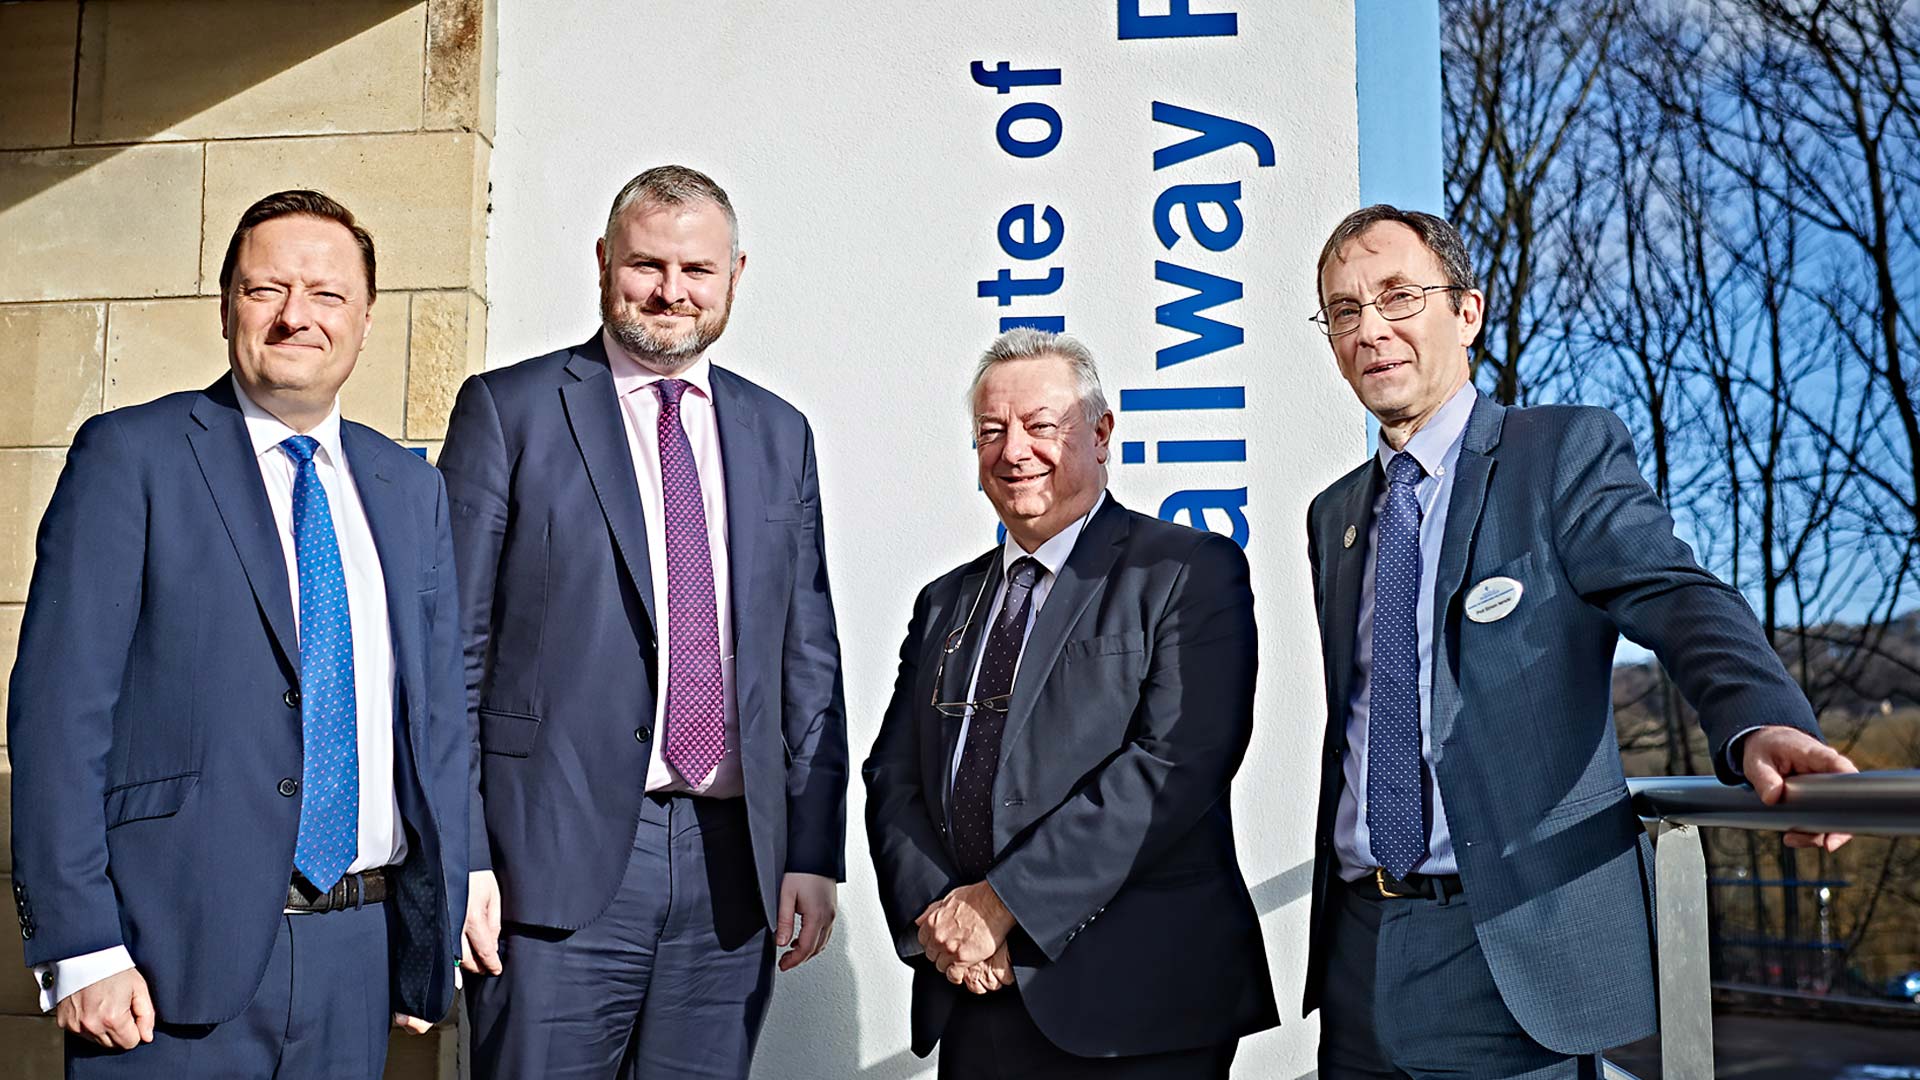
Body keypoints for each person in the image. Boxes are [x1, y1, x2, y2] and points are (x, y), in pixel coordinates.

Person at [1302, 204, 1858, 1079]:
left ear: (1468, 312)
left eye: (1399, 297)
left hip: (1510, 944)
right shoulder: (1334, 515)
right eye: (1344, 310)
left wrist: (1760, 720)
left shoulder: (1558, 454)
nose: (1371, 329)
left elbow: (1674, 592)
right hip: (1357, 950)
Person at [7, 190, 469, 1077]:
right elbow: (59, 718)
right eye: (267, 290)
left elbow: (438, 723)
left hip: (353, 955)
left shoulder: (409, 489)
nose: (298, 316)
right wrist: (82, 946)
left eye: (328, 295)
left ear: (367, 319)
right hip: (163, 959)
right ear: (227, 307)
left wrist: (428, 932)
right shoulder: (131, 457)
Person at [440, 164, 848, 1080]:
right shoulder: (509, 413)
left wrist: (814, 850)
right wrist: (461, 858)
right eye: (647, 266)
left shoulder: (781, 433)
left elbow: (806, 658)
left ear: (736, 274)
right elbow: (450, 657)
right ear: (602, 263)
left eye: (697, 270)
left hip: (732, 872)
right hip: (551, 864)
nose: (671, 292)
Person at [863, 329, 1279, 1078]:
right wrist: (948, 923)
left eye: (1041, 425)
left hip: (1139, 1005)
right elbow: (894, 776)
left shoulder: (1187, 571)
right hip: (974, 994)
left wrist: (1002, 905)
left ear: (1101, 431)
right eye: (992, 431)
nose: (1015, 449)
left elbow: (1175, 764)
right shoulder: (944, 603)